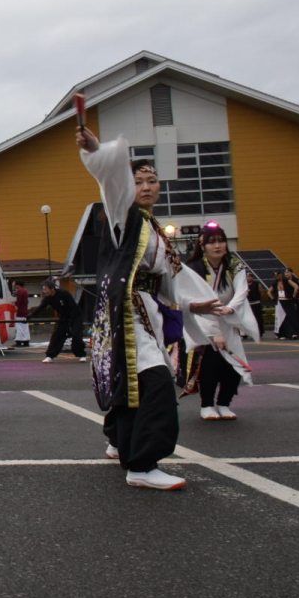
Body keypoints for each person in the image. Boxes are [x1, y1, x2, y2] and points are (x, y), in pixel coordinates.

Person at [77, 125, 224, 490]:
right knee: (156, 384)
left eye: (153, 180)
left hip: (145, 311)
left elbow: (171, 275)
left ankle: (124, 445)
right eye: (138, 181)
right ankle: (142, 465)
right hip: (127, 315)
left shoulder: (151, 226)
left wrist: (195, 302)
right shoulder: (122, 216)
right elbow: (112, 184)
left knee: (136, 388)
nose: (146, 187)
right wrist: (98, 151)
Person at [179, 227, 259, 420]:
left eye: (221, 241)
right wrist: (214, 332)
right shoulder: (195, 268)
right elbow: (195, 300)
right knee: (209, 366)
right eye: (211, 242)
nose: (217, 245)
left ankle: (224, 403)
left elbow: (242, 291)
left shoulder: (234, 265)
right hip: (202, 323)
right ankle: (206, 405)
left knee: (233, 365)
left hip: (228, 321)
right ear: (202, 246)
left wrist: (230, 308)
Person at [29, 280, 87, 363]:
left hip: (75, 315)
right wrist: (29, 316)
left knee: (76, 335)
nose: (44, 291)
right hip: (63, 317)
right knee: (57, 335)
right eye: (43, 289)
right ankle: (50, 356)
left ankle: (81, 355)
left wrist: (71, 320)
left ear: (52, 289)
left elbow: (72, 305)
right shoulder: (47, 298)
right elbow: (40, 308)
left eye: (45, 289)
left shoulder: (64, 293)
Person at [268, 270, 299, 340]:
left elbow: (296, 287)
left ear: (281, 275)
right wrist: (273, 298)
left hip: (288, 301)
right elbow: (269, 291)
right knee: (281, 318)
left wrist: (294, 296)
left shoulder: (287, 281)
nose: (277, 277)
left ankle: (294, 333)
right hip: (280, 301)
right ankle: (282, 333)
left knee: (291, 317)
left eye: (278, 275)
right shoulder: (275, 283)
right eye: (275, 276)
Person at [13, 279, 30, 347]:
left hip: (19, 311)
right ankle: (26, 341)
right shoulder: (25, 290)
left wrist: (15, 307)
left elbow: (18, 301)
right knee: (25, 327)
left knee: (19, 327)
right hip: (25, 311)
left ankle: (19, 341)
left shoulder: (20, 291)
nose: (13, 285)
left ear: (18, 285)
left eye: (14, 284)